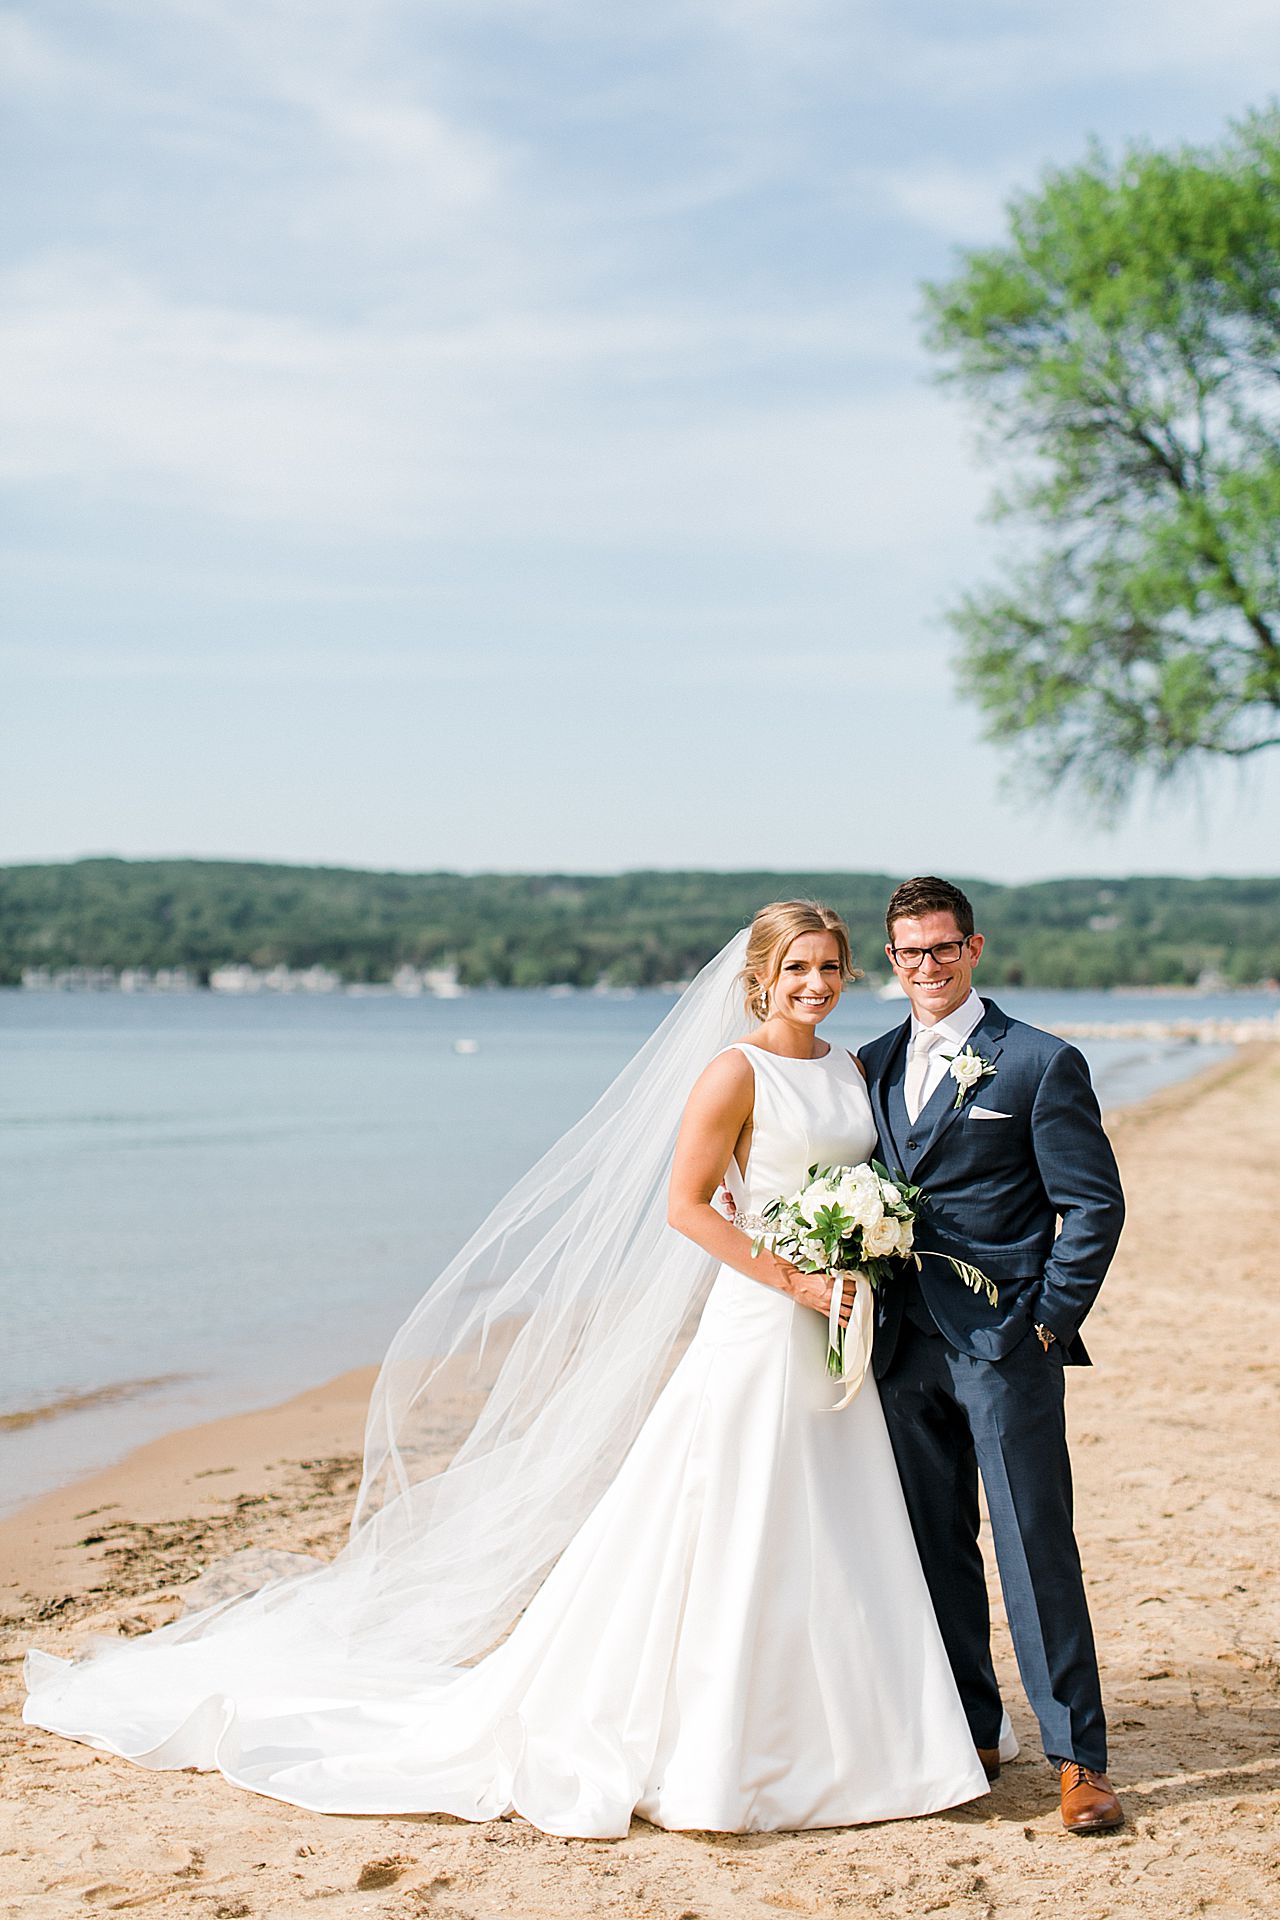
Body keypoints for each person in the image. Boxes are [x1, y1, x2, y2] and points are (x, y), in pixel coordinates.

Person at [25, 901, 989, 1837]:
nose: (815, 985)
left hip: (837, 1322)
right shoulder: (731, 1074)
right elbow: (689, 1207)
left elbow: (859, 1181)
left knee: (838, 1512)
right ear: (759, 979)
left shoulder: (850, 1069)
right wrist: (793, 1279)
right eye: (796, 969)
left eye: (829, 968)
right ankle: (722, 1739)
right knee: (736, 1510)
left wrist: (853, 1260)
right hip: (761, 1319)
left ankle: (857, 1729)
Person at [858, 876, 1126, 1835]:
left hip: (1006, 1347)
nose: (925, 968)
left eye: (941, 949)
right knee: (935, 1550)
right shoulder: (872, 1063)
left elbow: (1092, 1205)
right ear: (890, 962)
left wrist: (1046, 1322)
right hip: (900, 1352)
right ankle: (972, 1732)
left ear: (973, 949)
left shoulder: (1039, 1063)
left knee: (1034, 1548)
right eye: (907, 954)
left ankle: (1079, 1760)